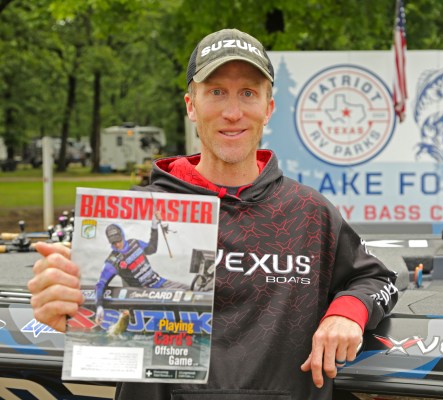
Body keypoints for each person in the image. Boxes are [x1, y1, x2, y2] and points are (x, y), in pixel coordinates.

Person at [28, 28, 398, 400]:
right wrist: (68, 306)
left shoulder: (309, 212)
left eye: (248, 93)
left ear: (268, 108)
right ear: (191, 105)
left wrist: (348, 312)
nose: (232, 113)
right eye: (216, 92)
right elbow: (98, 305)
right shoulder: (137, 212)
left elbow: (378, 279)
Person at [94, 214, 188, 324]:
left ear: (122, 235)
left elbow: (152, 249)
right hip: (145, 293)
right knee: (178, 297)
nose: (117, 244)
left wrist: (154, 227)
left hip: (160, 282)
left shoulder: (135, 243)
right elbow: (100, 284)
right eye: (114, 242)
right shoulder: (112, 262)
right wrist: (99, 306)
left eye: (118, 240)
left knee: (192, 289)